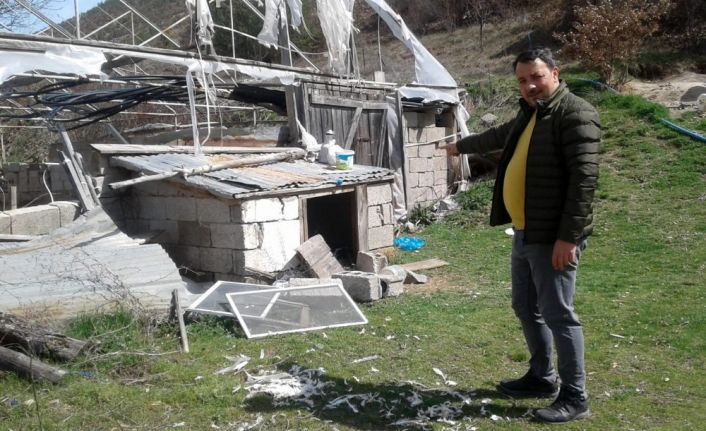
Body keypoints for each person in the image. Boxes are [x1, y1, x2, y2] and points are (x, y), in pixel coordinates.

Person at [445, 48, 600, 423]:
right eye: (522, 80)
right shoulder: (531, 113)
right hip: (525, 230)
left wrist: (568, 238)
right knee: (525, 306)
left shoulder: (575, 113)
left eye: (536, 77)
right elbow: (500, 135)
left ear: (555, 73)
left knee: (559, 315)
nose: (529, 86)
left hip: (552, 236)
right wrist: (459, 146)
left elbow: (584, 181)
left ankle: (575, 397)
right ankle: (542, 376)